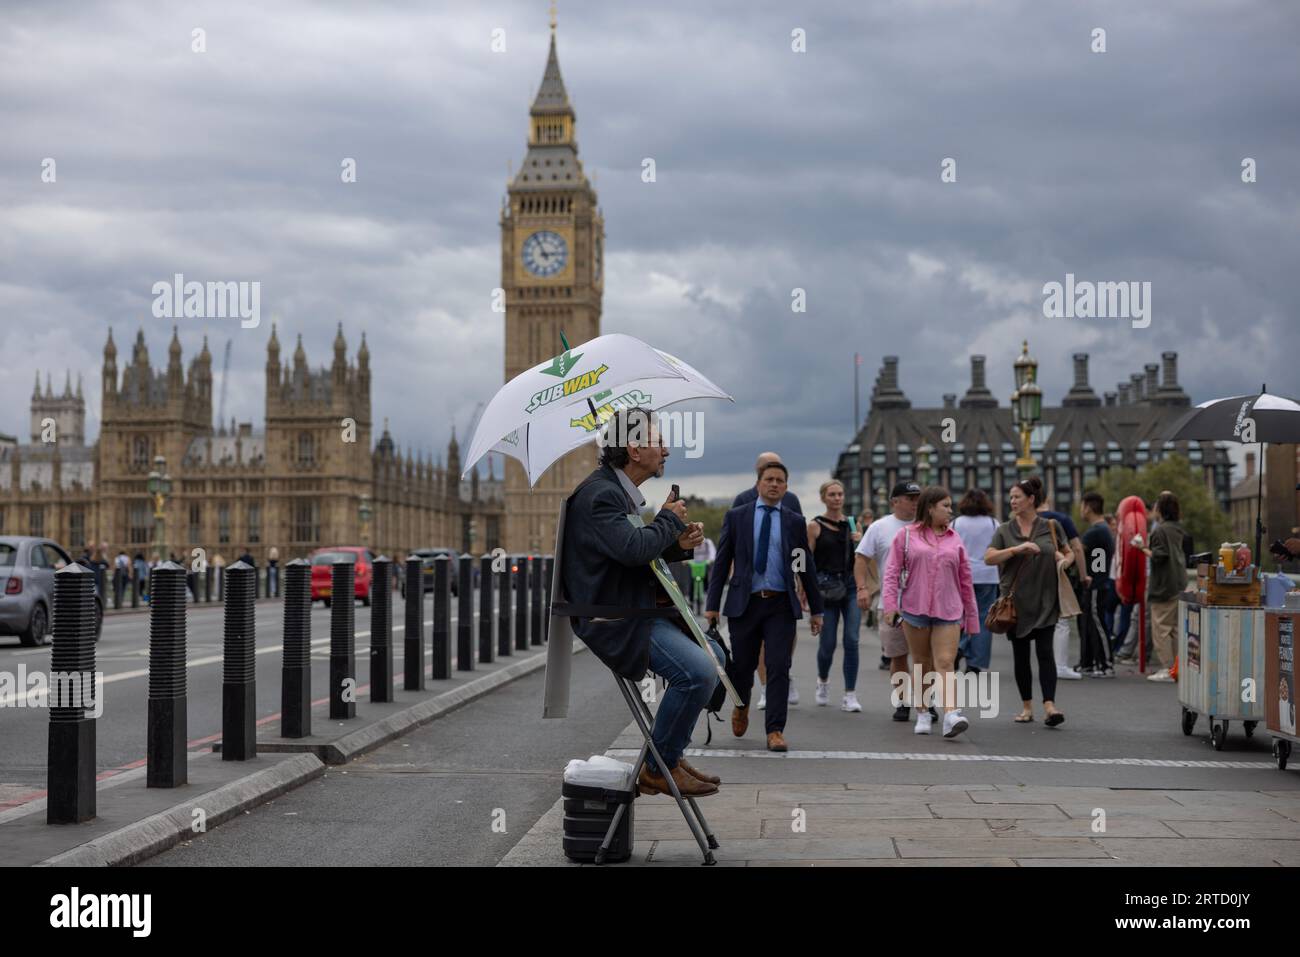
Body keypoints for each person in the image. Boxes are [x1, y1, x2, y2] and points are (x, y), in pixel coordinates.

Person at [561, 406, 724, 798]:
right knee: (699, 670)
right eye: (658, 441)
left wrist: (676, 544)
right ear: (634, 449)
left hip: (632, 607)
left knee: (714, 653)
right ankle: (658, 765)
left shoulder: (618, 493)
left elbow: (630, 556)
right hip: (614, 617)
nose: (666, 449)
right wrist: (668, 520)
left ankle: (668, 754)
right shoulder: (601, 495)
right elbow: (634, 550)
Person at [707, 461, 823, 752]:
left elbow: (804, 564)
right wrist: (711, 605)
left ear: (786, 487)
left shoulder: (794, 521)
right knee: (743, 668)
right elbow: (721, 561)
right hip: (745, 604)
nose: (774, 484)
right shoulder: (737, 517)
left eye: (780, 481)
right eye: (769, 479)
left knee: (779, 666)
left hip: (780, 603)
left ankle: (775, 730)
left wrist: (816, 609)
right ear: (758, 484)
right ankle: (741, 706)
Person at [882, 486, 980, 737]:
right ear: (930, 508)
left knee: (946, 662)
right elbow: (892, 573)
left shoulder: (954, 538)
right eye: (945, 506)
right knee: (922, 664)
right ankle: (923, 712)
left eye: (950, 505)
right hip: (914, 610)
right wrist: (890, 606)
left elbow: (965, 580)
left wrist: (972, 618)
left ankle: (950, 714)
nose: (950, 510)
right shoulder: (905, 536)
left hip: (948, 610)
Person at [985, 476, 1072, 726]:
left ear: (1031, 499)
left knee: (1046, 653)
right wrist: (1016, 550)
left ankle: (1049, 705)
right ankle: (1026, 707)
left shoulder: (1051, 526)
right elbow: (989, 558)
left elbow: (1067, 552)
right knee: (1021, 656)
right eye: (1011, 497)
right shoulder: (1004, 530)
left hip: (1046, 600)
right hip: (1016, 604)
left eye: (1017, 497)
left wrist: (1065, 562)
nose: (1012, 501)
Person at [732, 452, 803, 708]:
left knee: (780, 645)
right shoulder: (742, 501)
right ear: (758, 473)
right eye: (766, 472)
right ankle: (763, 686)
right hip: (750, 589)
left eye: (778, 476)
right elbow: (733, 544)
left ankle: (779, 674)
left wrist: (801, 581)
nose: (773, 482)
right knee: (750, 651)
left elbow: (799, 546)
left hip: (782, 585)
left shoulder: (791, 500)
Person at [854, 481, 930, 721]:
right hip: (892, 604)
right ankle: (902, 701)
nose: (915, 502)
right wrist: (862, 588)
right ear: (894, 501)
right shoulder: (879, 527)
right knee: (898, 655)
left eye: (918, 497)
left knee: (925, 656)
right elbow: (861, 558)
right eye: (910, 498)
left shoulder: (928, 526)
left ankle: (926, 702)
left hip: (925, 603)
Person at [807, 480, 861, 712]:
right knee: (827, 643)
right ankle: (823, 680)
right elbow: (806, 561)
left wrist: (860, 543)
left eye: (840, 494)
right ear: (823, 498)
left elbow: (863, 560)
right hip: (825, 587)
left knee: (852, 640)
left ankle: (850, 694)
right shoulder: (814, 526)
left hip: (849, 586)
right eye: (832, 494)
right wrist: (805, 590)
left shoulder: (852, 523)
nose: (837, 498)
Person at [1037, 496, 1088, 679]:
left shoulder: (1025, 520)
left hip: (1033, 576)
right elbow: (1077, 548)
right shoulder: (1061, 519)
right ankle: (1059, 665)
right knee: (1061, 620)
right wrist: (1083, 575)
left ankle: (1043, 662)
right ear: (1047, 499)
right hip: (1056, 573)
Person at [1137, 491, 1186, 682]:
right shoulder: (1177, 528)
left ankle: (1167, 668)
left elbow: (1159, 556)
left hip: (1163, 584)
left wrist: (1141, 547)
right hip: (1179, 581)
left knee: (1161, 628)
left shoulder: (1159, 530)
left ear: (1160, 509)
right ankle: (1177, 668)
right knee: (1174, 629)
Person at [953, 488, 999, 675]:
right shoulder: (993, 523)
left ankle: (959, 646)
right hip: (988, 575)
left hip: (962, 575)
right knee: (983, 618)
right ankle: (975, 663)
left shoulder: (956, 523)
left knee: (961, 616)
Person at [1078, 492, 1115, 677]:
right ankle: (1093, 663)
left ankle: (1106, 664)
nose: (1080, 510)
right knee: (1093, 623)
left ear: (1089, 507)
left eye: (1082, 505)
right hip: (1100, 582)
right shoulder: (1102, 530)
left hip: (1096, 585)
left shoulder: (1095, 532)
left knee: (1099, 623)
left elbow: (1079, 552)